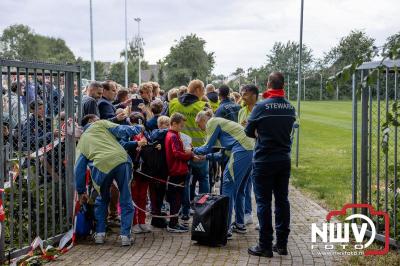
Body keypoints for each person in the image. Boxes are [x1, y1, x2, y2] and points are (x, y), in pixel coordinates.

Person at [245, 72, 296, 257]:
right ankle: (282, 244)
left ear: (268, 84)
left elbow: (248, 131)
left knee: (263, 202)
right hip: (283, 159)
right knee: (282, 200)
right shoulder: (290, 108)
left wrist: (260, 133)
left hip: (264, 159)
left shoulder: (261, 106)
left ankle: (265, 245)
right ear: (283, 85)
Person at [74, 117, 144, 246]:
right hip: (121, 160)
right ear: (92, 122)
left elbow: (79, 168)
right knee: (125, 197)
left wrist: (81, 190)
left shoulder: (82, 142)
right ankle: (125, 236)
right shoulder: (101, 123)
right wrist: (138, 128)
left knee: (102, 198)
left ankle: (100, 234)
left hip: (100, 166)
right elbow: (121, 130)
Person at [194, 110, 254, 239]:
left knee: (227, 188)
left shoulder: (212, 122)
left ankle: (225, 228)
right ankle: (240, 223)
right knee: (240, 190)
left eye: (199, 124)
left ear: (204, 120)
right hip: (250, 150)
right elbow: (223, 155)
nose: (200, 128)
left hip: (242, 150)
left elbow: (206, 147)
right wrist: (206, 157)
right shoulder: (224, 126)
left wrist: (192, 150)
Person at [168, 80, 210, 220]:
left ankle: (185, 212)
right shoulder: (203, 105)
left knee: (184, 183)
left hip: (180, 151)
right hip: (199, 150)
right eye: (203, 89)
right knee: (203, 179)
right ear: (197, 90)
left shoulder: (173, 103)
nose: (204, 92)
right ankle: (203, 210)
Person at [164, 113, 203, 232]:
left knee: (177, 198)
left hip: (177, 170)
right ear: (174, 123)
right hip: (177, 170)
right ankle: (173, 224)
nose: (182, 128)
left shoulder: (173, 134)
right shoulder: (174, 136)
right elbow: (176, 153)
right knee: (176, 199)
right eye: (181, 126)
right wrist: (190, 154)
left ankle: (174, 222)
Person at [238, 84, 259, 226]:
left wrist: (250, 127)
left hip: (258, 151)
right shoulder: (242, 110)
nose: (242, 97)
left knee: (259, 186)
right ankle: (247, 213)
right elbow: (239, 129)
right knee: (245, 184)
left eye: (245, 94)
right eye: (241, 94)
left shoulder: (261, 109)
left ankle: (262, 217)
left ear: (254, 95)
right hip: (245, 150)